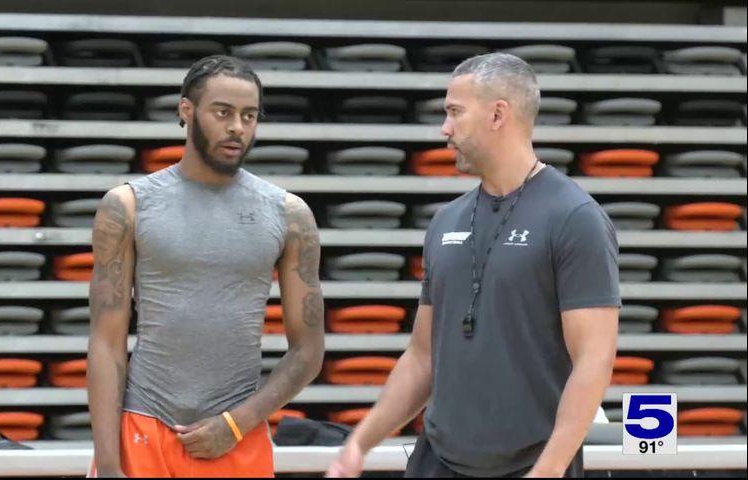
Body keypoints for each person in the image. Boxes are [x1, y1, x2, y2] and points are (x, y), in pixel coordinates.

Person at [326, 53, 621, 478]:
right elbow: (422, 357)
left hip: (530, 466)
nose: (445, 129)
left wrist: (550, 469)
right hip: (438, 461)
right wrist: (359, 444)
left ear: (498, 114)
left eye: (454, 112)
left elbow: (594, 360)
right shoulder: (446, 220)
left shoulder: (575, 217)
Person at [86, 55, 325, 478]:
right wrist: (107, 464)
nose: (237, 127)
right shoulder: (127, 206)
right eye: (223, 112)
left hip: (235, 433)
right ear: (186, 111)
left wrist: (237, 423)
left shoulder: (290, 215)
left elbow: (308, 351)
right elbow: (106, 343)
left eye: (249, 116)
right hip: (142, 425)